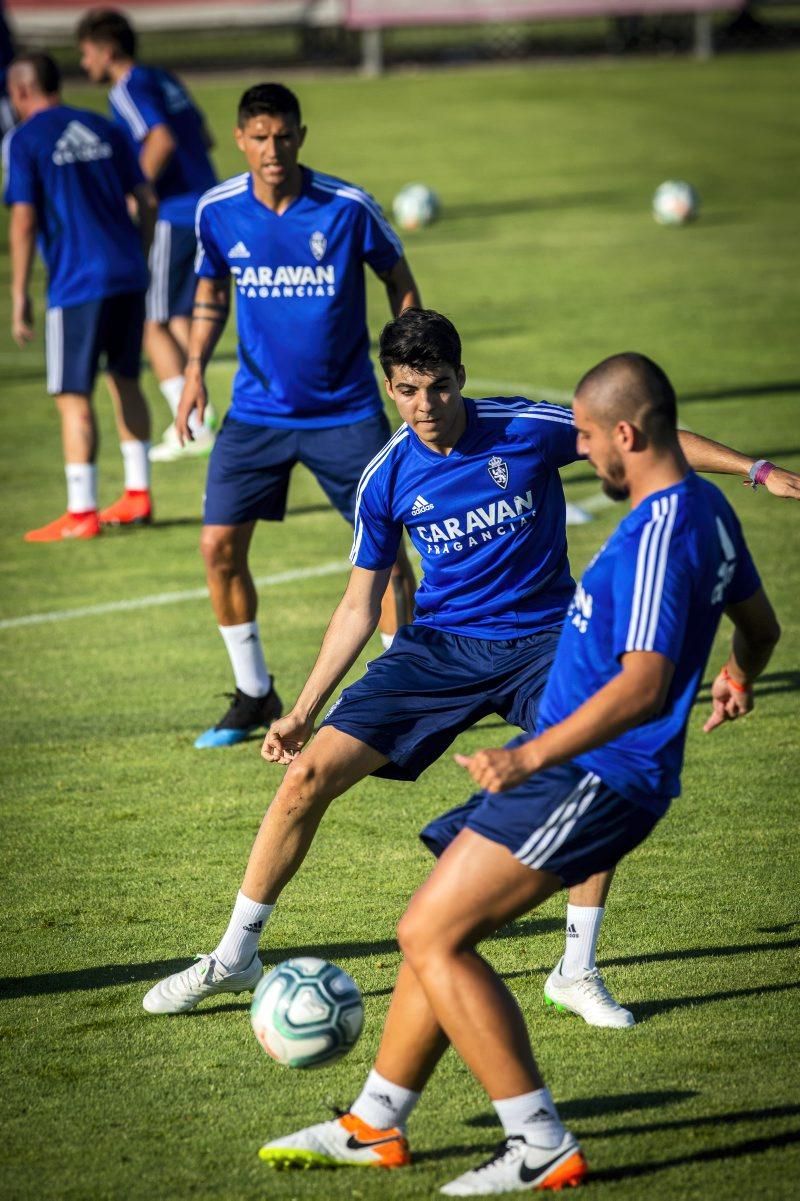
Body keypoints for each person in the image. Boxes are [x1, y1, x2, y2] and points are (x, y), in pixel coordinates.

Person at [142, 310, 798, 1021]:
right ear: (390, 388)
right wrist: (301, 709)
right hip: (440, 649)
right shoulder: (386, 476)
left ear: (462, 379)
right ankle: (235, 954)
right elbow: (360, 606)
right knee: (306, 777)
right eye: (407, 390)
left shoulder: (528, 426)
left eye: (439, 387)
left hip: (548, 639)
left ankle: (576, 969)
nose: (425, 406)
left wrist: (755, 469)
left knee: (600, 758)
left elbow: (646, 441)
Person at [258, 351, 781, 1194]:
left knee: (431, 934)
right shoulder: (710, 510)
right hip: (574, 769)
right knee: (433, 922)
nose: (572, 447)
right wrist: (741, 672)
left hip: (589, 774)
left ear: (622, 434)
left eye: (582, 434)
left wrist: (529, 751)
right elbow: (761, 625)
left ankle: (537, 1139)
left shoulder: (658, 532)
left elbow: (644, 685)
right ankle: (373, 1124)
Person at [175, 82, 419, 749]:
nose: (272, 149)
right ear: (241, 140)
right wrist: (195, 368)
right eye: (259, 136)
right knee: (217, 547)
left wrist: (408, 367)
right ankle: (255, 692)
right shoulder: (218, 211)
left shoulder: (346, 207)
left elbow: (399, 280)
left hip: (346, 414)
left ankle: (399, 696)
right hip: (256, 415)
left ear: (301, 136)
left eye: (284, 135)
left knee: (391, 555)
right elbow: (209, 292)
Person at [4, 52, 157, 542]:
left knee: (73, 397)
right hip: (128, 274)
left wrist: (19, 292)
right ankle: (138, 494)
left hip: (76, 284)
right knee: (126, 380)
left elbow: (24, 219)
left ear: (21, 92)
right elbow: (147, 199)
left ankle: (81, 510)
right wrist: (143, 254)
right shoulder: (103, 126)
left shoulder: (24, 139)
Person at [77, 7, 219, 467]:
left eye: (86, 54)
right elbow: (203, 134)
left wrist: (133, 195)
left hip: (174, 215)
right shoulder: (163, 78)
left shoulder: (128, 87)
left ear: (107, 50)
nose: (83, 65)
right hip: (206, 206)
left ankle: (191, 426)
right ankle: (204, 414)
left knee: (150, 321)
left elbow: (161, 139)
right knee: (178, 314)